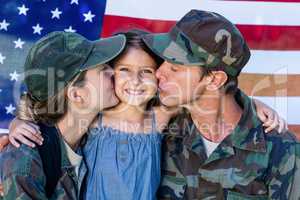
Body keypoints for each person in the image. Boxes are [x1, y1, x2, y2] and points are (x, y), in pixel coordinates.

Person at [1, 29, 286, 200]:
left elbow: (207, 94)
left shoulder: (159, 116)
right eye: (113, 70)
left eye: (146, 71)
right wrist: (18, 122)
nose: (130, 80)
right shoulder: (90, 124)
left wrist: (251, 103)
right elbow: (42, 117)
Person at [142, 9, 300, 199]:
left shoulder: (281, 149)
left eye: (174, 68)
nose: (158, 73)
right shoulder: (160, 122)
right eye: (163, 62)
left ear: (215, 79)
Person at [0, 31, 126, 199]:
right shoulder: (26, 159)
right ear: (76, 95)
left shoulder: (99, 139)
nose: (114, 72)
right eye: (103, 69)